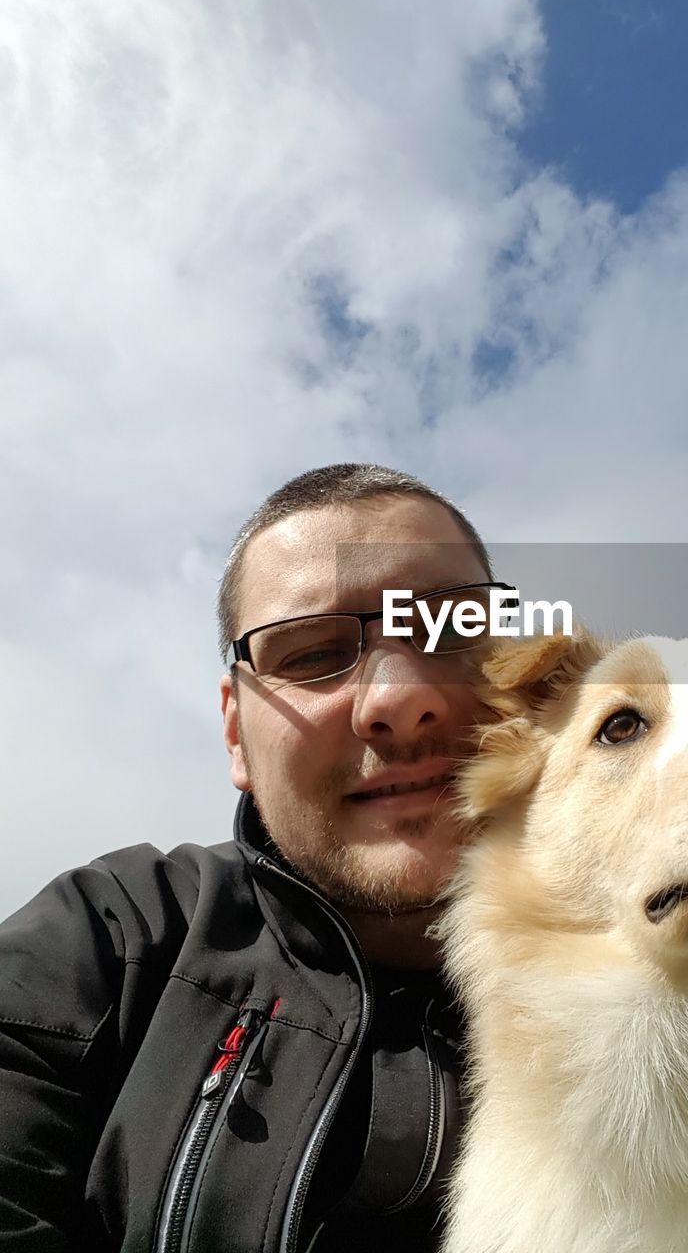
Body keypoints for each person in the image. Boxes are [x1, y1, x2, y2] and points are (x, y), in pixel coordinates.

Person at [0, 463, 503, 1252]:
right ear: (236, 732)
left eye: (453, 631)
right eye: (310, 654)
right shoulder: (114, 938)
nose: (399, 698)